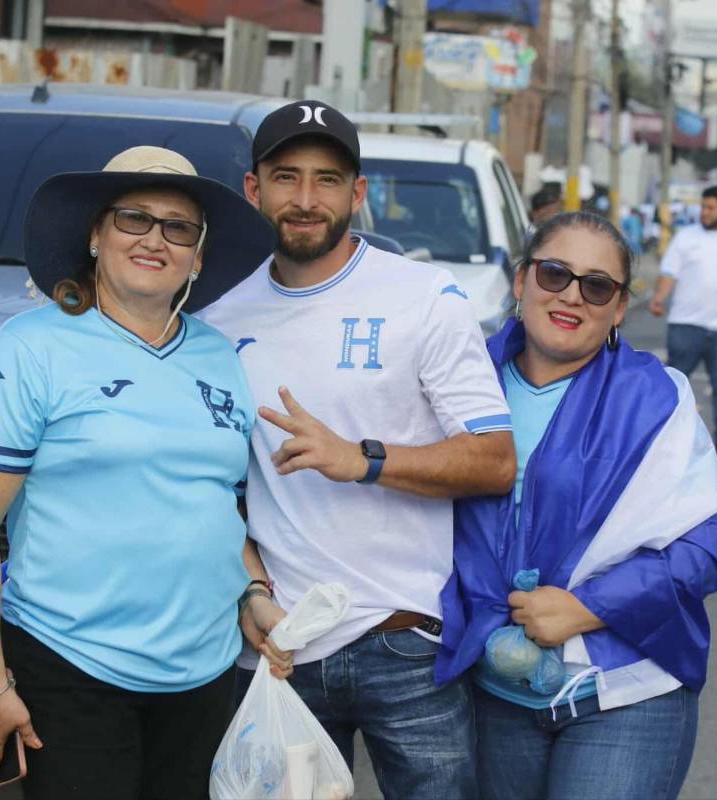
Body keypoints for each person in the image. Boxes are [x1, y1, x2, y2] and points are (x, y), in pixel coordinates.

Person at [199, 100, 516, 800]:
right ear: (255, 190)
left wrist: (366, 459)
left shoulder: (425, 296)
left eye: (328, 179)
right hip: (281, 647)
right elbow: (215, 494)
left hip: (405, 641)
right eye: (286, 177)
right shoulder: (217, 324)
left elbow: (495, 460)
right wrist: (251, 590)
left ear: (359, 193)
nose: (306, 199)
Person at [0, 146, 274, 799]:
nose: (156, 239)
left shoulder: (219, 356)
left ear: (199, 256)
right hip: (70, 664)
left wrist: (253, 593)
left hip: (203, 674)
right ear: (95, 235)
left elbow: (217, 510)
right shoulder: (28, 347)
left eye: (180, 227)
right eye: (134, 219)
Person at [436, 212, 717, 800]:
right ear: (522, 280)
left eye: (597, 285)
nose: (572, 295)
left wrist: (586, 608)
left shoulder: (657, 398)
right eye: (555, 274)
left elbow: (707, 544)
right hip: (491, 691)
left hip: (625, 692)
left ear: (619, 308)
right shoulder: (457, 382)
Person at [648, 185, 717, 462]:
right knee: (672, 385)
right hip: (686, 325)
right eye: (703, 207)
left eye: (710, 208)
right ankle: (660, 437)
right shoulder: (686, 238)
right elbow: (669, 273)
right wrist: (659, 298)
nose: (705, 212)